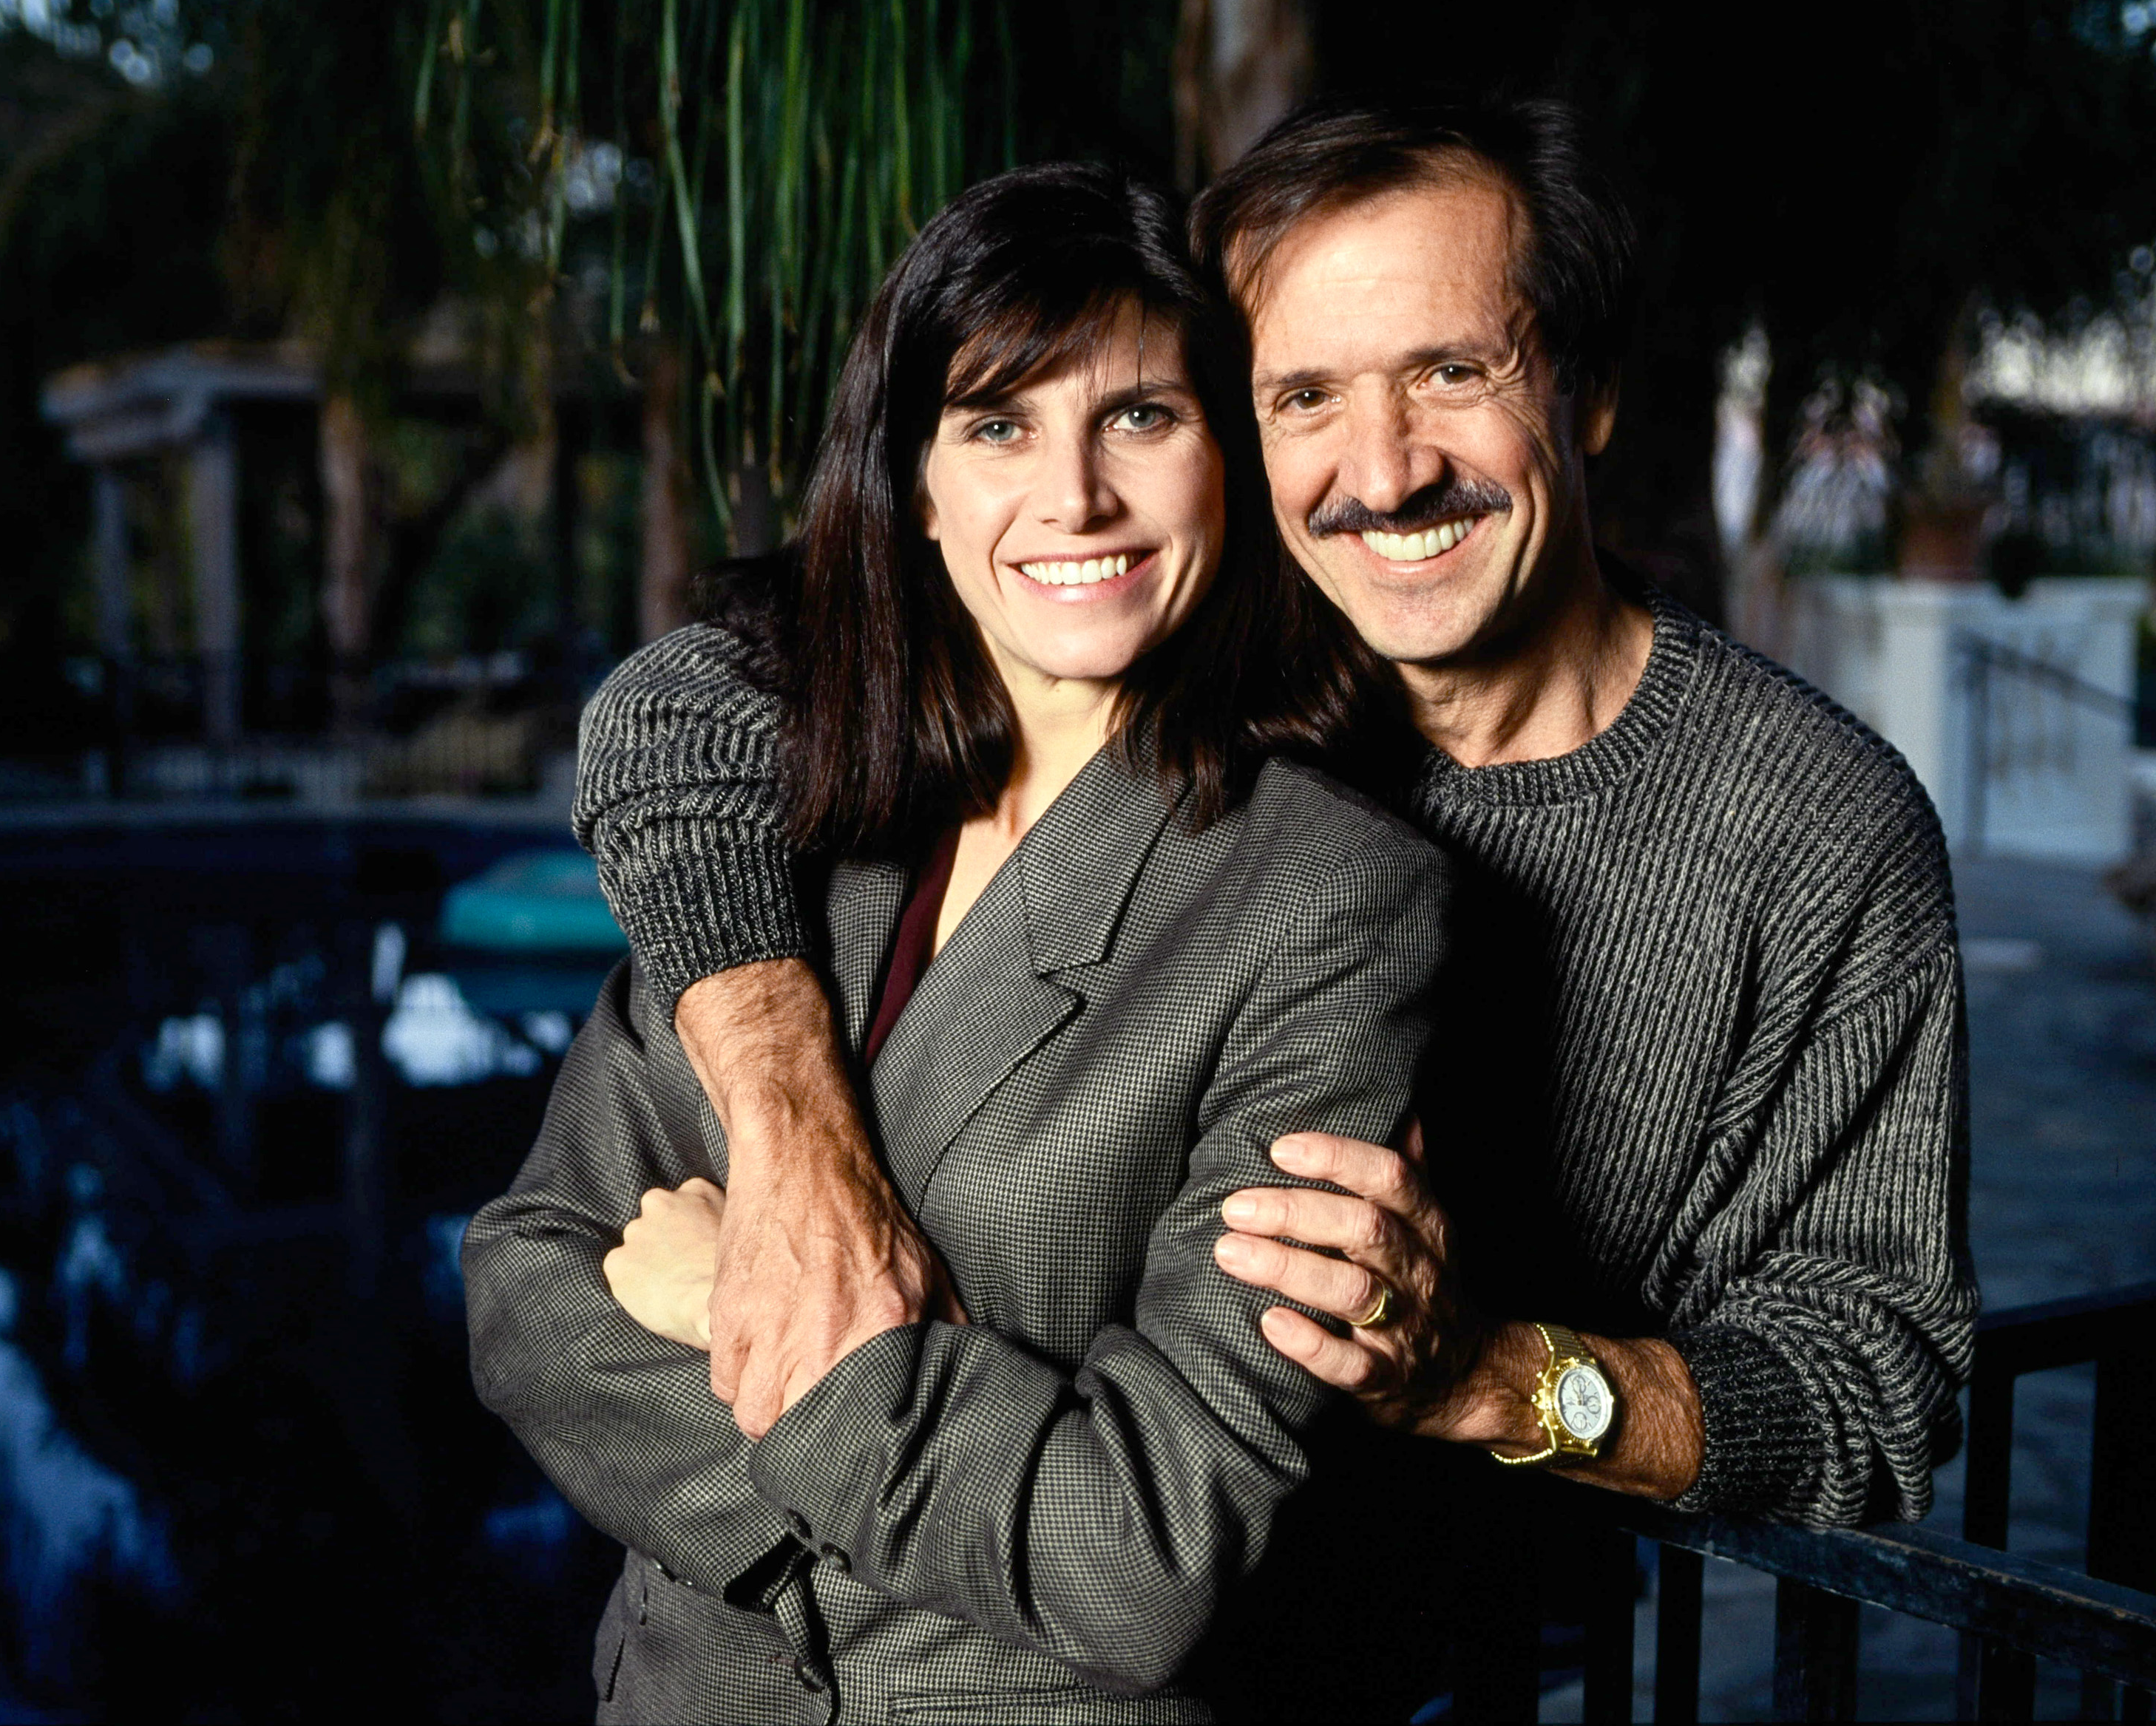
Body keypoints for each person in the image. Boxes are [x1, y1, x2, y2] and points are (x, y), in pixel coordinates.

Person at [572, 94, 1976, 1572]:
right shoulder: (1168, 655)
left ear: (1593, 394)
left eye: (1452, 371)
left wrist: (1487, 1375)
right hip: (1008, 1574)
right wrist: (799, 1149)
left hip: (1439, 1654)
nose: (1382, 473)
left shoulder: (1819, 825)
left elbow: (1870, 1395)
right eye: (1303, 397)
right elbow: (690, 703)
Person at [464, 161, 1447, 1725]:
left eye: (1140, 416)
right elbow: (527, 1283)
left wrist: (750, 1312)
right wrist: (931, 1480)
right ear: (918, 487)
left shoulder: (1325, 898)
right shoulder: (779, 813)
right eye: (999, 425)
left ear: (1229, 462)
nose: (1074, 499)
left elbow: (1143, 1557)